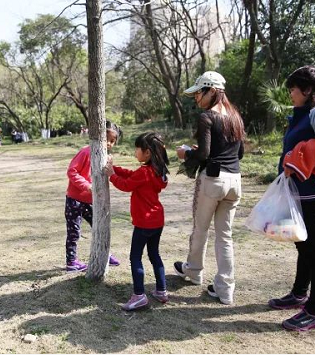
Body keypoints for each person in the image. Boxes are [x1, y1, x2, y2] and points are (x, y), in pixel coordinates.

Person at [268, 66, 315, 331]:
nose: (290, 94)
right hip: (301, 195)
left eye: (292, 89)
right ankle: (299, 294)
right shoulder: (307, 112)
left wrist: (301, 154)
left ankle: (314, 312)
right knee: (303, 245)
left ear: (308, 89)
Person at [173, 71, 245, 306]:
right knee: (225, 236)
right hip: (235, 181)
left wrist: (187, 153)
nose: (196, 98)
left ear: (212, 91)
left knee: (200, 228)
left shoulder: (207, 117)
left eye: (199, 93)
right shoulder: (235, 116)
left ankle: (193, 271)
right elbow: (239, 153)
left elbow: (203, 154)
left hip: (213, 181)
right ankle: (225, 290)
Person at [105, 132, 170, 311]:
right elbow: (132, 175)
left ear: (147, 152)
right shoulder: (157, 171)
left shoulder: (144, 172)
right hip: (157, 221)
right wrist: (115, 169)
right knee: (154, 255)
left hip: (144, 223)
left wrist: (111, 175)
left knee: (135, 257)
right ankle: (161, 290)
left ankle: (139, 295)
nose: (135, 152)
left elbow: (126, 185)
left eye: (137, 149)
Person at [65, 121, 121, 272]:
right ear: (99, 137)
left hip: (92, 202)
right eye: (106, 139)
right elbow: (72, 172)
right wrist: (87, 186)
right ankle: (71, 261)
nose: (108, 144)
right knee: (74, 231)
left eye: (112, 141)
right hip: (74, 200)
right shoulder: (85, 152)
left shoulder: (107, 157)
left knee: (100, 228)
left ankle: (105, 255)